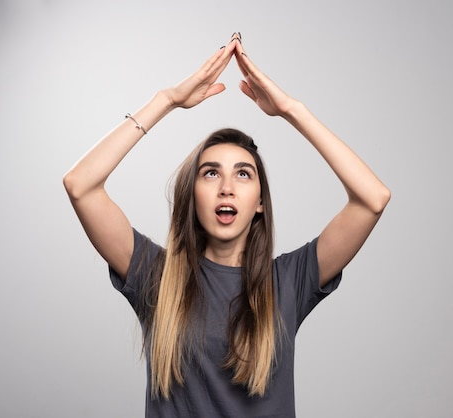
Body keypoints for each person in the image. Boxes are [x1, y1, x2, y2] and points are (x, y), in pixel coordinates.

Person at [63, 32, 390, 418]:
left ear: (260, 204)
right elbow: (81, 185)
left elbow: (372, 198)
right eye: (211, 174)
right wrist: (165, 101)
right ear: (192, 194)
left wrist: (291, 110)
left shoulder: (289, 281)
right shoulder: (156, 275)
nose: (228, 188)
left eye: (244, 175)